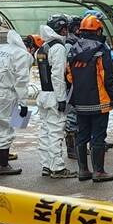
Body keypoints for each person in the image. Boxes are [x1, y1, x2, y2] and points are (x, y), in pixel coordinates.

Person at [67, 14, 113, 182]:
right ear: (98, 30)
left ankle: (83, 170)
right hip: (99, 101)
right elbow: (107, 76)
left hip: (80, 101)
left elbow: (69, 76)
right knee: (98, 136)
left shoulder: (73, 48)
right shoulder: (101, 49)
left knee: (81, 135)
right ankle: (99, 171)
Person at [0, 30, 35, 176]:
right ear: (29, 47)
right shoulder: (23, 55)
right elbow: (21, 81)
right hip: (4, 95)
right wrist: (23, 104)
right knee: (4, 128)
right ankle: (3, 165)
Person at [36, 15, 77, 179]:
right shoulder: (58, 48)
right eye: (65, 28)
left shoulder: (42, 48)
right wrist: (62, 99)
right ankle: (58, 168)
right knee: (55, 132)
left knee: (45, 131)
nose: (67, 31)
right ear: (61, 29)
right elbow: (57, 76)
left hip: (44, 95)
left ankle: (46, 165)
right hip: (54, 95)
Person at [64, 15, 82, 160]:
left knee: (76, 116)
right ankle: (72, 149)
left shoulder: (74, 42)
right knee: (71, 117)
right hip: (70, 85)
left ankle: (77, 146)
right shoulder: (69, 44)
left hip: (74, 84)